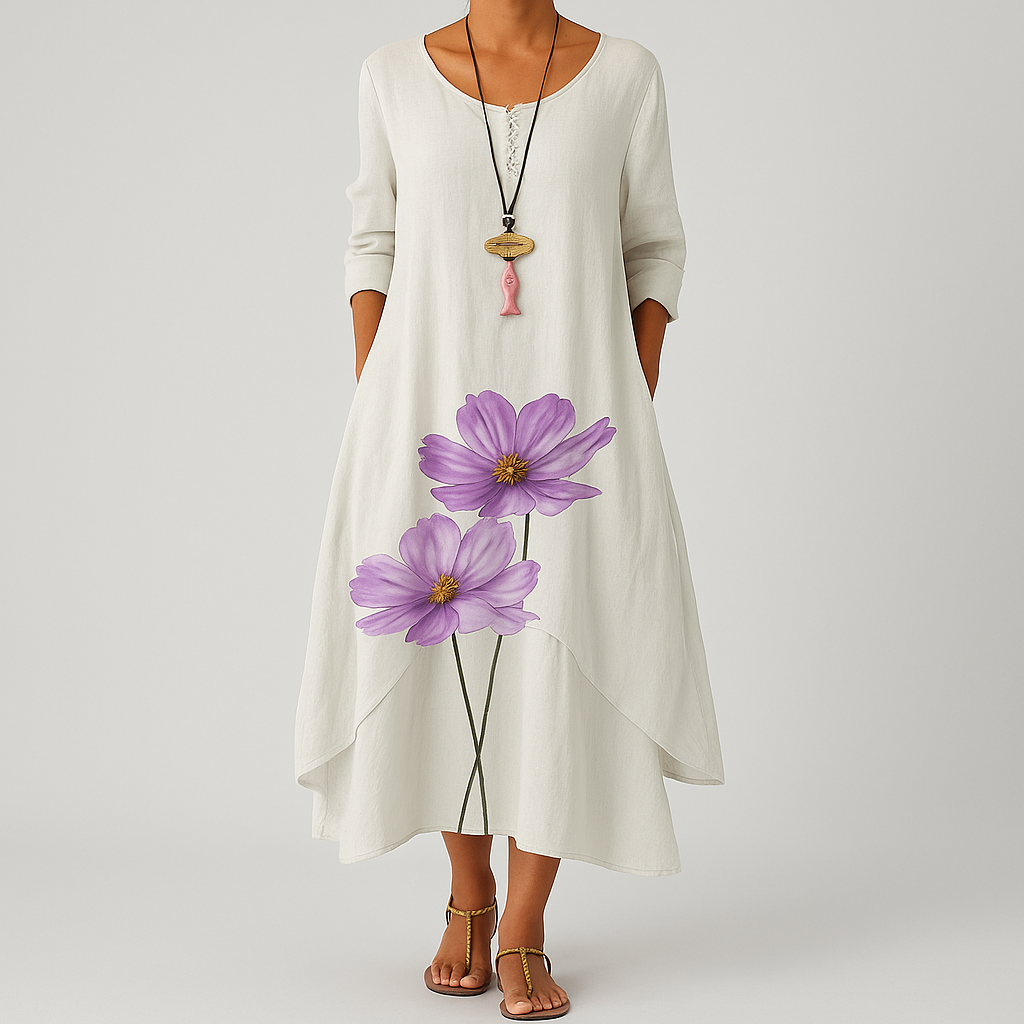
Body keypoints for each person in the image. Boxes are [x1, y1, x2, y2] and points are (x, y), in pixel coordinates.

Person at [294, 2, 725, 1018]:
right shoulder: (393, 74)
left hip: (573, 424)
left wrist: (630, 390)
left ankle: (525, 920)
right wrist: (379, 393)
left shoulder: (625, 74)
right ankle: (469, 894)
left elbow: (654, 246)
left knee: (561, 642)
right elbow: (371, 242)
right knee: (445, 639)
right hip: (426, 414)